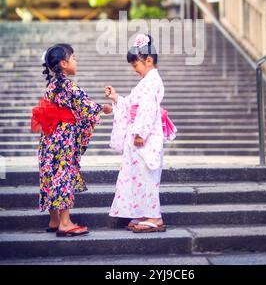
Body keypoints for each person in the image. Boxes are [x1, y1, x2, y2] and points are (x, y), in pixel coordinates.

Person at [31, 43, 112, 237]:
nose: (77, 61)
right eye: (74, 58)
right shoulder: (68, 86)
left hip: (49, 138)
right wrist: (104, 108)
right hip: (63, 138)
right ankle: (65, 223)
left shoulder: (51, 86)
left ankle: (54, 220)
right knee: (63, 175)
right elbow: (86, 106)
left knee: (50, 174)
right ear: (64, 63)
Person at [105, 33, 176, 233]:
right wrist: (117, 98)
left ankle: (155, 217)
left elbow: (147, 108)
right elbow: (131, 104)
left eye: (136, 65)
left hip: (145, 136)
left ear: (149, 60)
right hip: (142, 135)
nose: (134, 69)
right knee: (140, 176)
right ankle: (145, 213)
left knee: (147, 176)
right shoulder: (147, 81)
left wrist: (140, 133)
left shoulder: (152, 81)